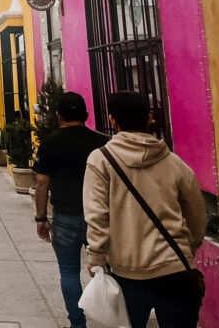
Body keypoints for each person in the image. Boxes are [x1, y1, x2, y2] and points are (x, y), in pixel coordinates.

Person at [83, 91, 207, 328]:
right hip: (175, 269)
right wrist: (190, 244)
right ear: (149, 119)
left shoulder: (100, 160)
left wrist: (96, 257)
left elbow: (97, 215)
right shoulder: (173, 161)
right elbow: (197, 212)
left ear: (112, 121)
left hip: (128, 273)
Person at [33, 92, 109, 328]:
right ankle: (113, 316)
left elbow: (42, 184)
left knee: (68, 272)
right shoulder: (102, 143)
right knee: (105, 270)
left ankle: (77, 323)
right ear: (86, 115)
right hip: (99, 218)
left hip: (65, 216)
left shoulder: (50, 143)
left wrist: (41, 217)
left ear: (58, 116)